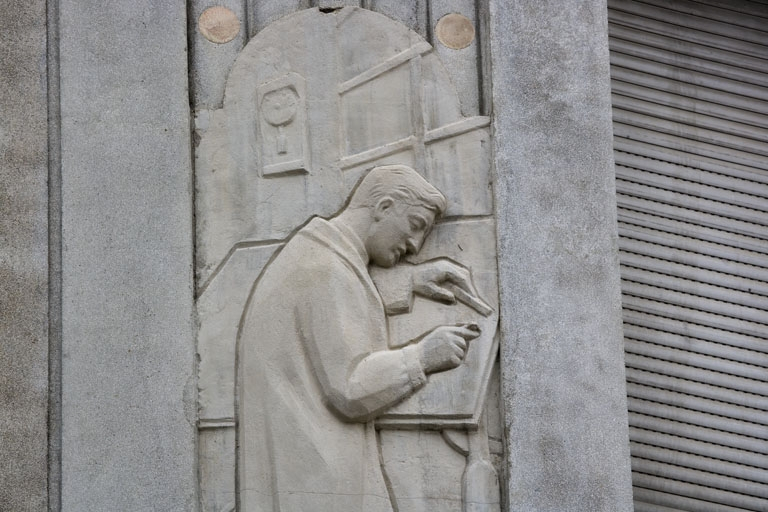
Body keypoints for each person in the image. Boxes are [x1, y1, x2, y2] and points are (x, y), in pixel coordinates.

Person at [237, 165, 483, 511]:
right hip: (319, 486)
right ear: (383, 207)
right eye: (415, 226)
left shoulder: (315, 257)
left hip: (311, 478)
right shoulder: (325, 270)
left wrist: (409, 281)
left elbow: (338, 302)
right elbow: (351, 389)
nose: (414, 246)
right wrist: (424, 356)